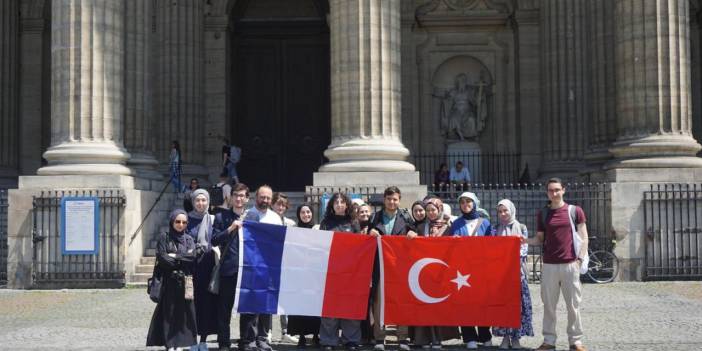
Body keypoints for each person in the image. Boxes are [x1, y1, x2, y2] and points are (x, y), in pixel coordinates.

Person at [523, 178, 588, 351]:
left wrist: (579, 260)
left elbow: (584, 238)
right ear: (547, 193)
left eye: (557, 190)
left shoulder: (575, 211)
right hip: (549, 265)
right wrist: (524, 240)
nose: (554, 193)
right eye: (551, 190)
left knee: (573, 305)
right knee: (549, 305)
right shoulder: (543, 213)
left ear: (564, 190)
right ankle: (549, 341)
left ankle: (576, 341)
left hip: (570, 264)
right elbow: (539, 239)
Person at [368, 187, 417, 351]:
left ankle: (402, 337)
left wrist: (413, 234)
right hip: (380, 266)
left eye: (395, 199)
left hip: (400, 267)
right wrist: (371, 233)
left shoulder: (406, 217)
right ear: (384, 199)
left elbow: (414, 233)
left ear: (399, 200)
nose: (392, 202)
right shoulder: (375, 217)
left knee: (401, 301)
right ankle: (380, 338)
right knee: (379, 302)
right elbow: (366, 238)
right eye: (389, 199)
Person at [146, 209, 199, 350]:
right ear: (172, 222)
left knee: (184, 313)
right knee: (169, 312)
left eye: (184, 222)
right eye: (177, 221)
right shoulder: (165, 237)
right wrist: (182, 257)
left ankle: (181, 343)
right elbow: (163, 258)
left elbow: (192, 257)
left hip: (185, 281)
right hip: (168, 281)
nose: (180, 224)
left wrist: (175, 256)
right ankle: (170, 343)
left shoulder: (188, 239)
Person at [411, 197, 459, 349]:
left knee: (438, 305)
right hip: (424, 271)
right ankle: (424, 338)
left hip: (442, 272)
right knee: (424, 305)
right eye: (428, 210)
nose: (430, 213)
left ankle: (437, 338)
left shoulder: (449, 227)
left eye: (433, 210)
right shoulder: (420, 228)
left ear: (439, 210)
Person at [318, 193, 362, 351]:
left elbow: (361, 247)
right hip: (331, 271)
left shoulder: (353, 222)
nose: (338, 204)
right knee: (330, 307)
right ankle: (329, 340)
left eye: (342, 202)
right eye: (335, 202)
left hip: (350, 272)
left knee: (350, 305)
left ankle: (351, 339)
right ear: (331, 205)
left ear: (347, 205)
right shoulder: (325, 223)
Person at [448, 192, 492, 349]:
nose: (465, 204)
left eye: (468, 201)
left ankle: (485, 334)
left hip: (480, 269)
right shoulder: (456, 223)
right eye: (462, 202)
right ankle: (469, 336)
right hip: (462, 270)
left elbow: (493, 245)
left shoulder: (485, 223)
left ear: (475, 203)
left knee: (482, 302)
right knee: (464, 303)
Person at [241, 185, 282, 351]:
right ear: (256, 197)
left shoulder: (275, 218)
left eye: (268, 198)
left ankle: (263, 338)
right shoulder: (248, 215)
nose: (265, 200)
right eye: (262, 197)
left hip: (269, 268)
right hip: (251, 267)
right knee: (250, 305)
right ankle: (248, 340)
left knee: (266, 305)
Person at [212, 183, 250, 351]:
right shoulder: (220, 217)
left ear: (247, 198)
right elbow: (213, 240)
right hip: (229, 269)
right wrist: (231, 228)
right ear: (231, 197)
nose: (239, 198)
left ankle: (245, 341)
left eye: (242, 195)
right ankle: (224, 343)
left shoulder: (253, 218)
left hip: (248, 271)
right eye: (236, 195)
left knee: (247, 310)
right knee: (224, 309)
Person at [492, 199, 534, 350]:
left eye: (505, 211)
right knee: (503, 308)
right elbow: (492, 250)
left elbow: (523, 250)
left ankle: (516, 338)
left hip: (517, 275)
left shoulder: (521, 227)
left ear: (511, 211)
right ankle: (505, 337)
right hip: (500, 276)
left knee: (518, 307)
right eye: (500, 211)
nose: (503, 214)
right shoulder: (495, 228)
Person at [186, 189, 218, 350]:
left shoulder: (213, 219)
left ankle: (203, 340)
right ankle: (192, 339)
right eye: (197, 200)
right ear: (193, 202)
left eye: (204, 200)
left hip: (207, 266)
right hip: (191, 268)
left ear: (208, 201)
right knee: (191, 305)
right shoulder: (185, 219)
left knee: (206, 304)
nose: (200, 203)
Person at [287, 203, 322, 348]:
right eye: (303, 212)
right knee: (299, 306)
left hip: (315, 274)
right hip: (299, 274)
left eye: (308, 212)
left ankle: (315, 335)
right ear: (298, 214)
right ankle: (301, 336)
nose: (306, 215)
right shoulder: (294, 231)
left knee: (315, 306)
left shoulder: (319, 229)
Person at [271, 192, 298, 344]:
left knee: (286, 299)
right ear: (272, 204)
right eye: (278, 203)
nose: (280, 207)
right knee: (268, 296)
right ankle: (267, 331)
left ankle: (285, 331)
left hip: (286, 264)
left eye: (283, 204)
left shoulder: (290, 223)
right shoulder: (266, 220)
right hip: (269, 263)